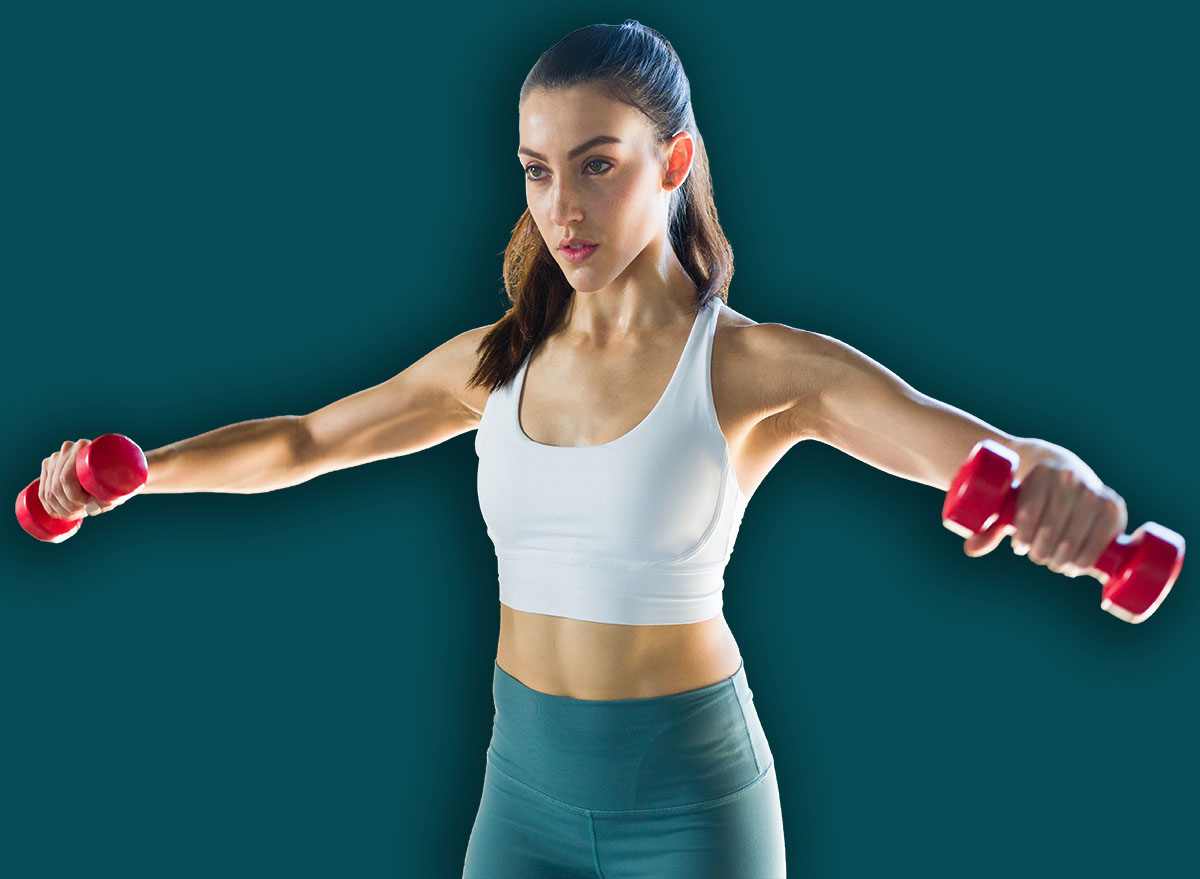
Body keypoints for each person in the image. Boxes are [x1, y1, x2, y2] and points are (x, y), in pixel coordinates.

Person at [37, 20, 1129, 879]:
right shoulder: (496, 362)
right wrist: (126, 482)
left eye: (599, 164)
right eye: (537, 169)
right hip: (521, 791)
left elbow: (973, 448)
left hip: (693, 801)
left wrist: (1063, 483)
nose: (564, 206)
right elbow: (308, 440)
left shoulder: (755, 369)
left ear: (674, 162)